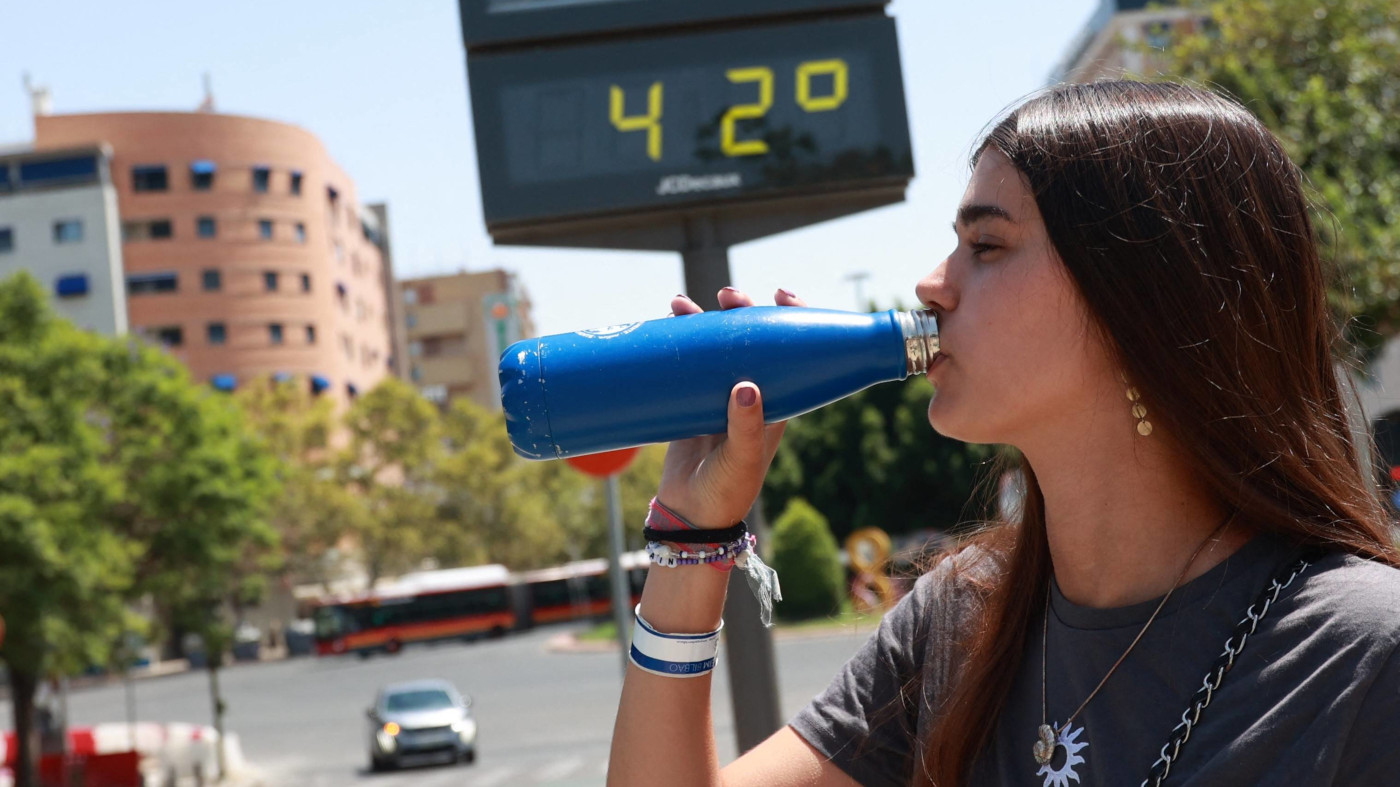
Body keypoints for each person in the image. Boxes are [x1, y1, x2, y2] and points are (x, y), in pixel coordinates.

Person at [606, 80, 1400, 786]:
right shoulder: (959, 617)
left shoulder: (1363, 657)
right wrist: (691, 536)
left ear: (1143, 308)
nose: (929, 283)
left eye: (986, 244)